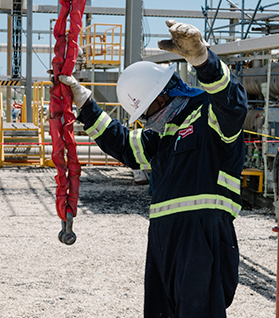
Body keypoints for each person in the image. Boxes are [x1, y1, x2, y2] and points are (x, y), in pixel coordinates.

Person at [59, 20, 247, 317]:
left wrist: (203, 61)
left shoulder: (209, 117)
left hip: (201, 235)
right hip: (163, 236)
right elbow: (123, 143)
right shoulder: (161, 135)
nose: (146, 120)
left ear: (162, 97)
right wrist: (86, 105)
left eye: (146, 111)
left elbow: (233, 103)